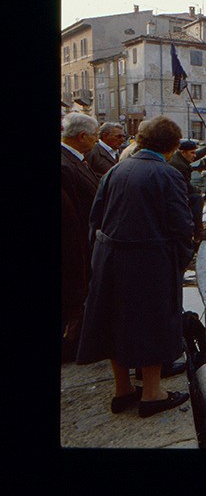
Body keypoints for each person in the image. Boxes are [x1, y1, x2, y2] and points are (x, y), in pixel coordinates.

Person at [76, 116, 194, 417]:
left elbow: (95, 218)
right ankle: (152, 394)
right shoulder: (167, 174)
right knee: (151, 323)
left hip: (109, 256)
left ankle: (123, 390)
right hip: (148, 260)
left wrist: (99, 256)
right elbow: (182, 227)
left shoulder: (115, 170)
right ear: (172, 146)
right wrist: (179, 262)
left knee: (115, 321)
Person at [60, 112, 101, 362]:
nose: (97, 140)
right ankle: (69, 346)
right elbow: (71, 219)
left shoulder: (75, 160)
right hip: (77, 246)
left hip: (84, 242)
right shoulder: (65, 165)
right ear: (82, 136)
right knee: (73, 300)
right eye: (95, 136)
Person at [169, 138, 206, 238]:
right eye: (192, 153)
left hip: (173, 192)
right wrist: (200, 191)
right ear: (183, 152)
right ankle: (198, 231)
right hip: (174, 196)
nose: (194, 155)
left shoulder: (179, 158)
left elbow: (196, 155)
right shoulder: (180, 166)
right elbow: (186, 187)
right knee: (197, 199)